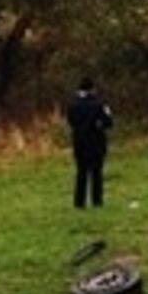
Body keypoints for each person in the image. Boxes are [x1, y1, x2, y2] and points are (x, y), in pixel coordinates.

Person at [65, 77, 114, 209]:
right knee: (97, 173)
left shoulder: (72, 105)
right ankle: (96, 201)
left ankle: (79, 202)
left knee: (81, 173)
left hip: (79, 142)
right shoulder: (99, 104)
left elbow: (70, 122)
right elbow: (108, 122)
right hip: (96, 142)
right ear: (92, 89)